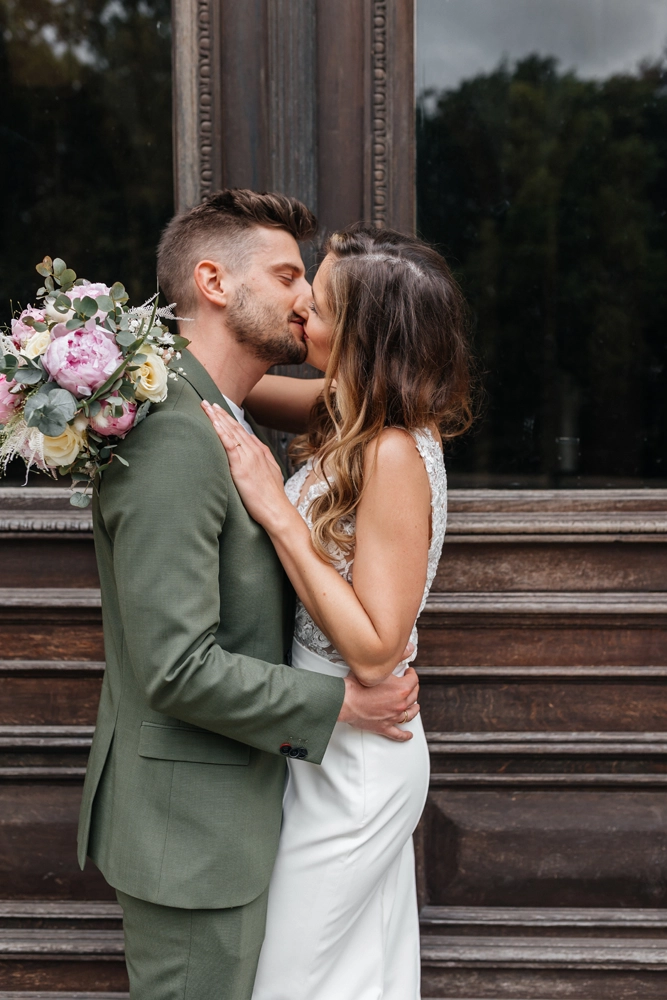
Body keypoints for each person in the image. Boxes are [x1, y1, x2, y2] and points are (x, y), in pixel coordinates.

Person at [77, 191, 421, 1000]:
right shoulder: (172, 437)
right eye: (286, 276)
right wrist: (341, 705)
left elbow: (364, 397)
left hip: (244, 808)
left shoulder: (219, 411)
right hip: (191, 835)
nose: (304, 300)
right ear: (213, 282)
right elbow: (177, 668)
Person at [203, 223, 473, 1000]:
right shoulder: (348, 407)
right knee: (357, 981)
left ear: (360, 336)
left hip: (358, 763)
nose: (299, 312)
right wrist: (118, 356)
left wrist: (275, 511)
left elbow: (377, 650)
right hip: (322, 745)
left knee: (287, 983)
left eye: (316, 305)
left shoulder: (392, 450)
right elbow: (226, 383)